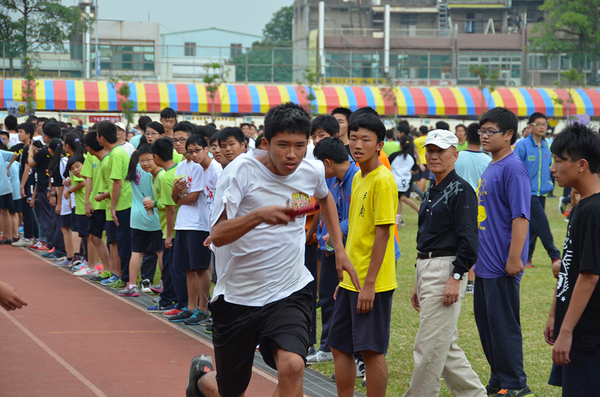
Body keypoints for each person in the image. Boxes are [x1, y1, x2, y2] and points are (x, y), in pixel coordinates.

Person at [186, 102, 359, 397]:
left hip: (289, 289)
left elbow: (325, 197)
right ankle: (201, 380)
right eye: (283, 145)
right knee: (230, 391)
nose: (292, 155)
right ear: (265, 143)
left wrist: (340, 248)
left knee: (292, 365)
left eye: (300, 146)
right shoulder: (240, 172)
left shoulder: (312, 169)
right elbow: (218, 234)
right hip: (239, 296)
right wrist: (258, 216)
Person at [404, 129, 485, 397]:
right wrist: (418, 280)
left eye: (440, 150)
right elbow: (427, 237)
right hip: (427, 267)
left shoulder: (461, 190)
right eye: (430, 150)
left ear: (455, 154)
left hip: (446, 269)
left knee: (427, 348)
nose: (434, 155)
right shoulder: (433, 189)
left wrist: (457, 276)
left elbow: (469, 240)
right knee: (444, 347)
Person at [328, 112, 397, 397]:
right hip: (350, 279)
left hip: (373, 282)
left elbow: (383, 234)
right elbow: (357, 232)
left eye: (365, 139)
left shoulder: (383, 180)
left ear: (379, 144)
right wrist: (345, 275)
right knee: (339, 343)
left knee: (370, 350)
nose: (357, 144)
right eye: (353, 138)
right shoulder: (359, 177)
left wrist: (369, 284)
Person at [473, 107, 533, 397]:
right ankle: (498, 379)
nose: (483, 136)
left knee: (504, 327)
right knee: (488, 328)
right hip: (485, 264)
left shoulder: (513, 167)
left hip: (501, 264)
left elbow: (521, 216)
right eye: (481, 131)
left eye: (490, 131)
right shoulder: (492, 165)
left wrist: (515, 258)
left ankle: (515, 384)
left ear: (509, 135)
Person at [543, 123, 600, 396]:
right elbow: (568, 266)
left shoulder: (594, 211)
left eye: (559, 160)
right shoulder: (581, 206)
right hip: (575, 325)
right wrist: (556, 312)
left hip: (587, 332)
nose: (553, 168)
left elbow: (589, 275)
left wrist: (567, 331)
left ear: (582, 164)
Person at [309, 137, 360, 365]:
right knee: (328, 299)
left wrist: (337, 229)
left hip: (353, 250)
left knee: (352, 303)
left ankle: (359, 359)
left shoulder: (357, 178)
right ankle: (327, 347)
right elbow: (325, 212)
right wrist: (323, 238)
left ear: (327, 163)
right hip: (331, 248)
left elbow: (359, 214)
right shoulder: (331, 180)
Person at [514, 113, 561, 270]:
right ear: (530, 126)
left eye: (544, 124)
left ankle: (527, 258)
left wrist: (549, 183)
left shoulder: (547, 145)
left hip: (542, 192)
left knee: (534, 226)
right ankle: (555, 255)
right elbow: (515, 168)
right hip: (527, 192)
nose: (542, 127)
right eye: (539, 124)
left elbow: (548, 167)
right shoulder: (522, 145)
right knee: (542, 223)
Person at [118, 144, 164, 297]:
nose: (146, 163)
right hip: (154, 215)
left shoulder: (134, 167)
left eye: (148, 160)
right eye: (144, 160)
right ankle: (165, 282)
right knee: (160, 251)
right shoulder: (154, 173)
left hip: (137, 215)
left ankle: (131, 284)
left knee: (136, 252)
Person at [454, 122, 492, 293]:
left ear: (466, 137)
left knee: (459, 242)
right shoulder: (489, 160)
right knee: (474, 243)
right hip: (481, 209)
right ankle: (471, 281)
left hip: (458, 206)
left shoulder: (457, 157)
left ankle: (458, 276)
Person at [145, 137, 179, 313]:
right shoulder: (177, 170)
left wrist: (168, 234)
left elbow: (170, 208)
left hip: (171, 229)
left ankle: (167, 300)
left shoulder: (166, 177)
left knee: (169, 267)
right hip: (177, 228)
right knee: (173, 266)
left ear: (156, 157)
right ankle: (173, 299)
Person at [96, 121, 133, 288]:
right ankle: (124, 276)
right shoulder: (115, 153)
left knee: (123, 243)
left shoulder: (117, 154)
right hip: (122, 201)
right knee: (120, 241)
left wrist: (112, 205)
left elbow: (117, 182)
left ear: (101, 138)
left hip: (124, 202)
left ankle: (125, 278)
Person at [81, 131, 113, 282]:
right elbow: (88, 178)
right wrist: (87, 201)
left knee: (111, 240)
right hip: (97, 203)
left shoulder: (111, 157)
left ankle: (111, 270)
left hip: (108, 202)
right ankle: (108, 268)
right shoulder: (91, 157)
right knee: (94, 236)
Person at [389, 135, 419, 226]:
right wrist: (410, 172)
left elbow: (386, 165)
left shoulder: (394, 156)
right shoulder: (411, 158)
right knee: (400, 199)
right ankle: (398, 220)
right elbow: (416, 170)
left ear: (400, 145)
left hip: (395, 182)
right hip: (406, 182)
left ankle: (420, 211)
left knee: (401, 198)